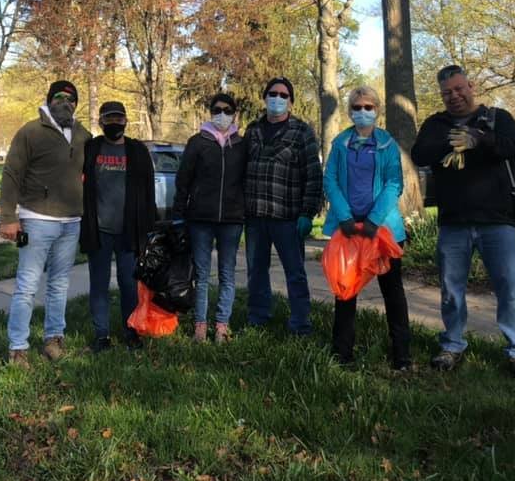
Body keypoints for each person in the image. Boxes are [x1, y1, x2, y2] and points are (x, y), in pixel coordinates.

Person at [410, 65, 515, 377]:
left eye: (459, 89)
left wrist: (478, 139)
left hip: (497, 220)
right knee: (451, 289)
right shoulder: (436, 124)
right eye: (447, 93)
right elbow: (419, 153)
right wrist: (450, 143)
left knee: (508, 287)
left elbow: (513, 146)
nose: (454, 96)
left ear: (471, 86)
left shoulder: (496, 118)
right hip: (454, 222)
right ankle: (452, 344)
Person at [0, 80, 91, 367]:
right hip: (37, 220)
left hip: (71, 222)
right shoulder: (31, 131)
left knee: (59, 284)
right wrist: (8, 218)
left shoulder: (83, 135)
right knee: (27, 286)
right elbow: (12, 174)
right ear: (49, 100)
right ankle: (17, 348)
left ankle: (54, 339)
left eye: (71, 99)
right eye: (59, 97)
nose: (65, 102)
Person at [323, 86, 410, 370]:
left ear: (378, 110)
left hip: (382, 231)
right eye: (357, 107)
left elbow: (394, 183)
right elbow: (331, 181)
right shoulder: (339, 144)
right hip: (347, 232)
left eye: (368, 107)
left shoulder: (387, 143)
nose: (363, 112)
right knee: (345, 291)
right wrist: (345, 217)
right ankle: (342, 354)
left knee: (393, 293)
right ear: (350, 111)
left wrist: (373, 221)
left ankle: (402, 356)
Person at [244, 76, 322, 336]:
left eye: (283, 95)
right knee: (256, 271)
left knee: (295, 273)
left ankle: (300, 324)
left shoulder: (301, 131)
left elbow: (313, 174)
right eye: (273, 93)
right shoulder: (252, 130)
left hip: (288, 217)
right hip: (255, 215)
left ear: (291, 101)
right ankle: (258, 317)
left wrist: (307, 212)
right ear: (265, 97)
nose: (277, 98)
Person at [80, 100, 157, 352]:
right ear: (101, 122)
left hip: (129, 232)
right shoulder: (91, 148)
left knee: (128, 284)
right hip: (99, 231)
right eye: (109, 119)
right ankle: (102, 336)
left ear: (125, 120)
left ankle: (131, 331)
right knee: (99, 284)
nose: (114, 123)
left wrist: (149, 227)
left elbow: (148, 191)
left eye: (118, 119)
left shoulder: (137, 151)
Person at [172, 93, 247, 342]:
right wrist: (179, 215)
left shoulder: (241, 145)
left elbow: (247, 181)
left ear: (234, 113)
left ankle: (222, 326)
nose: (222, 114)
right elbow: (182, 181)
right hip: (200, 219)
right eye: (217, 109)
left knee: (227, 274)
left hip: (232, 219)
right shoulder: (197, 142)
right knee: (202, 275)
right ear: (210, 111)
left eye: (227, 110)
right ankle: (200, 326)